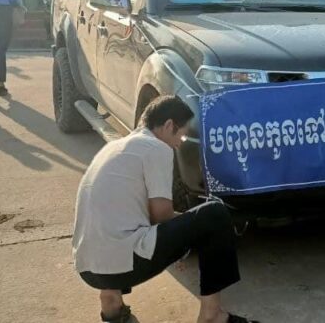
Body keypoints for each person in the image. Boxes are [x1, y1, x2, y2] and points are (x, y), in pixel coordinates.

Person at [74, 96, 256, 323]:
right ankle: (212, 315)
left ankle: (111, 302)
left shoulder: (113, 148)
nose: (179, 143)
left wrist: (179, 233)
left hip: (87, 268)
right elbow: (161, 215)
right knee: (215, 214)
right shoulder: (156, 148)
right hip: (122, 265)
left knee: (118, 224)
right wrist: (188, 237)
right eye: (181, 135)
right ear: (169, 125)